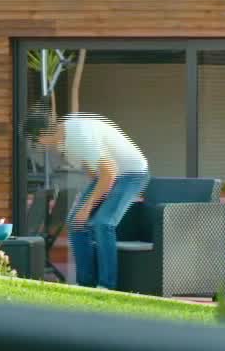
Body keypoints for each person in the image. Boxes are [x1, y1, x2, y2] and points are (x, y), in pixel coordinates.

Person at [27, 109, 149, 290]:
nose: (39, 145)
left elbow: (110, 173)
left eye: (36, 141)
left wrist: (87, 208)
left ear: (43, 134)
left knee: (103, 223)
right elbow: (94, 172)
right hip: (107, 175)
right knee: (76, 222)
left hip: (132, 173)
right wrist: (86, 203)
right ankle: (85, 283)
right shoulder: (65, 141)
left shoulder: (79, 136)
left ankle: (106, 285)